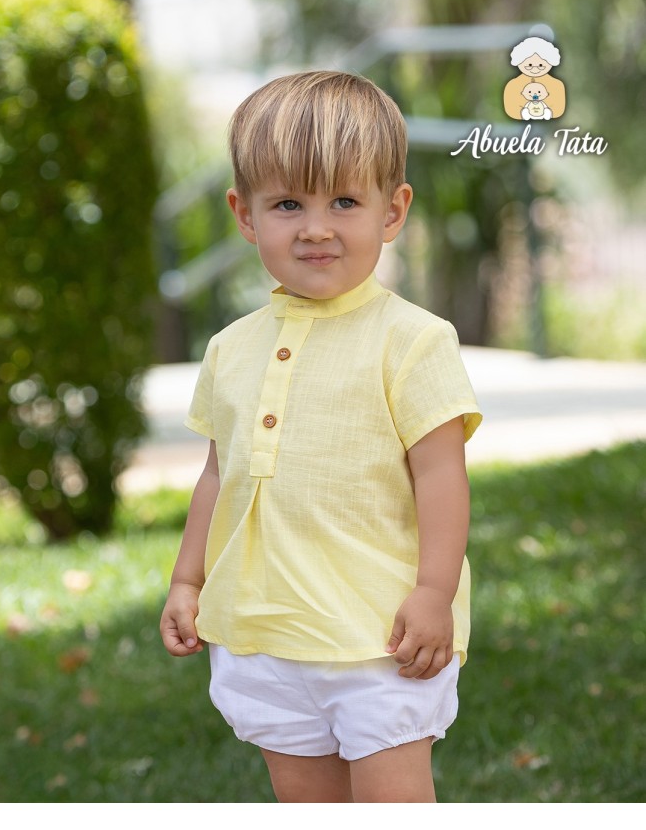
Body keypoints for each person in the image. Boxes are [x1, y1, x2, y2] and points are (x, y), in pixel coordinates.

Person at [159, 70, 482, 803]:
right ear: (244, 214)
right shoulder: (230, 347)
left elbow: (440, 475)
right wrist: (188, 579)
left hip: (380, 637)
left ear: (392, 210)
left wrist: (435, 590)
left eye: (344, 200)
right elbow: (218, 474)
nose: (315, 225)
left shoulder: (413, 340)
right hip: (264, 635)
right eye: (287, 203)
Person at [503, 35, 566, 120]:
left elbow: (558, 110)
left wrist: (547, 112)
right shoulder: (513, 86)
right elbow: (511, 110)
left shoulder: (557, 85)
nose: (535, 69)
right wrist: (524, 113)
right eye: (529, 65)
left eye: (540, 65)